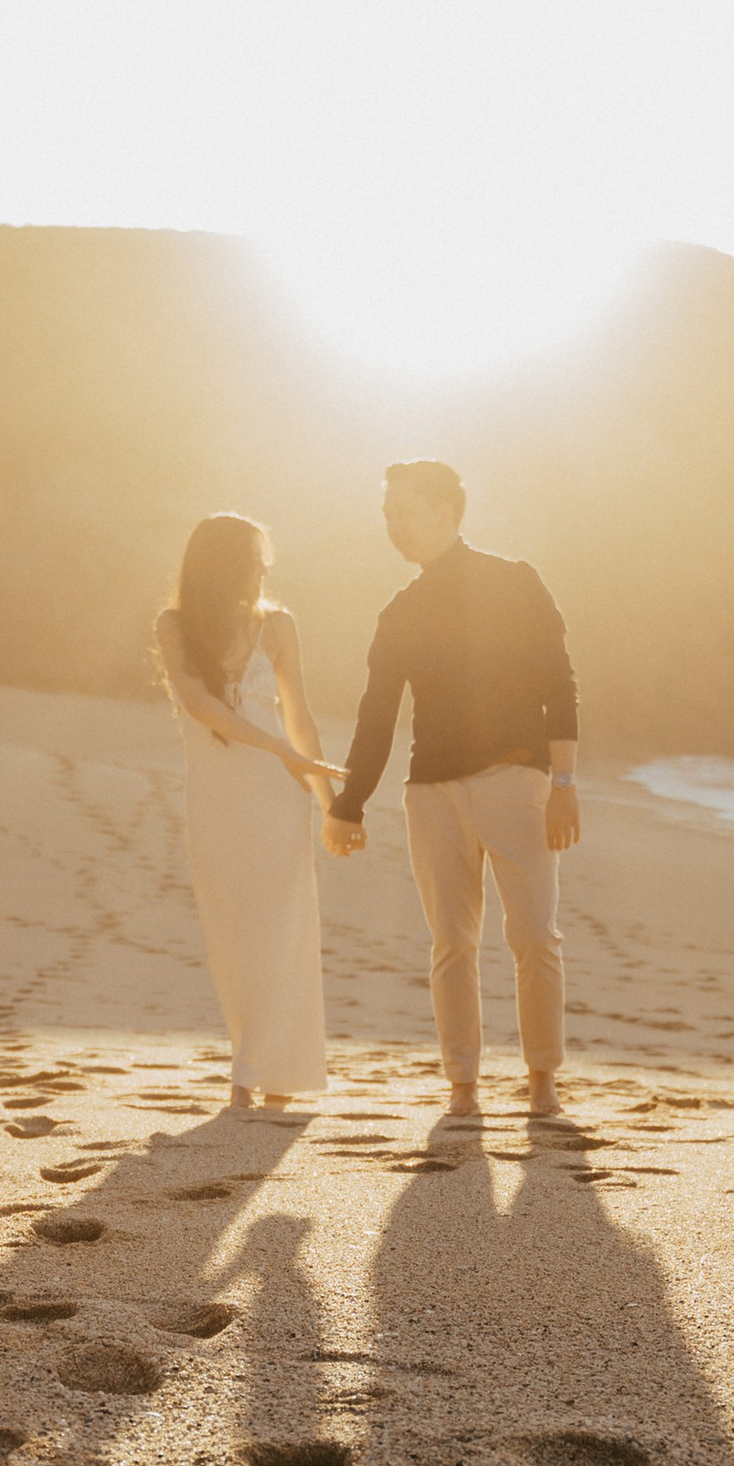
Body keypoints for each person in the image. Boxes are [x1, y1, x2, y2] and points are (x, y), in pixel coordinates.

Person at [323, 459, 580, 1121]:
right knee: (452, 943)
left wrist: (565, 783)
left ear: (446, 512)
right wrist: (347, 807)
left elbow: (559, 684)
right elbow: (376, 717)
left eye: (403, 511)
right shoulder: (400, 613)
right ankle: (462, 1084)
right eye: (386, 515)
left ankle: (542, 1078)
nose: (393, 526)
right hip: (432, 793)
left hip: (516, 782)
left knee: (533, 935)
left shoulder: (516, 582)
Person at [156, 511, 340, 1111]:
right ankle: (249, 1061)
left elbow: (301, 718)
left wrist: (331, 805)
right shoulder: (175, 626)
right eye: (253, 558)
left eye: (266, 559)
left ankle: (273, 1078)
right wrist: (277, 748)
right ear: (222, 565)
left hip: (277, 801)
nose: (264, 568)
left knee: (284, 932)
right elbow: (200, 704)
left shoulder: (279, 625)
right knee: (232, 935)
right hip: (217, 801)